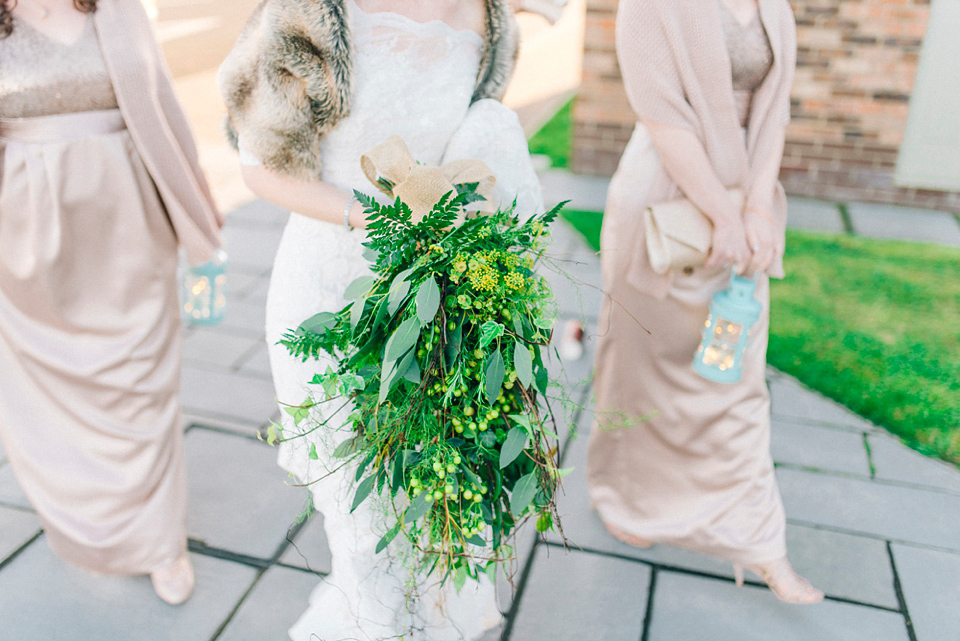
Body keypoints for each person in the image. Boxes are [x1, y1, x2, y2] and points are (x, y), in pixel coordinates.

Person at [218, 0, 542, 638]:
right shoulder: (307, 13)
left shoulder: (493, 17)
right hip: (327, 286)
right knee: (361, 525)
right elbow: (260, 169)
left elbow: (469, 138)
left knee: (436, 499)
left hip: (436, 291)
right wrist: (383, 218)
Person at [587, 0, 824, 605]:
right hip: (667, 203)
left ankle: (761, 545)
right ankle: (625, 496)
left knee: (735, 380)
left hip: (745, 204)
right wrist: (722, 212)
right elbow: (662, 117)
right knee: (638, 371)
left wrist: (757, 208)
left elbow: (775, 112)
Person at [0, 0, 223, 605]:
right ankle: (88, 521)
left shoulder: (117, 7)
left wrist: (199, 213)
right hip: (25, 242)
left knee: (140, 385)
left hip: (128, 229)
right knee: (52, 391)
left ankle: (159, 544)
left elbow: (165, 111)